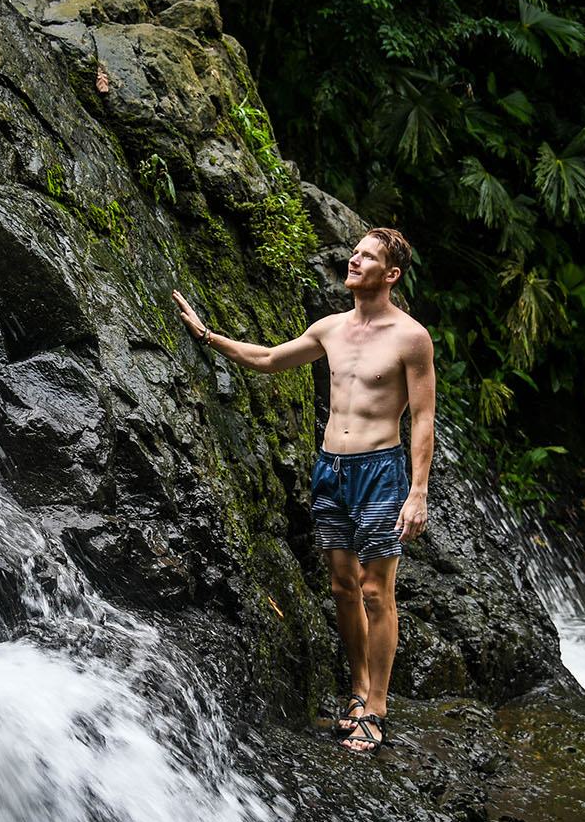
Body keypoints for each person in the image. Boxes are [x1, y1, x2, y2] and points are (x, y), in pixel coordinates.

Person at [171, 227, 435, 756]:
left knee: (377, 591)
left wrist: (418, 492)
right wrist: (207, 337)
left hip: (380, 470)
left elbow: (424, 416)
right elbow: (269, 359)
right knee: (341, 586)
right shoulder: (330, 329)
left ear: (391, 273)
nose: (353, 260)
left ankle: (378, 709)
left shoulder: (411, 338)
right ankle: (357, 693)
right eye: (355, 252)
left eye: (367, 256)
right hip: (330, 470)